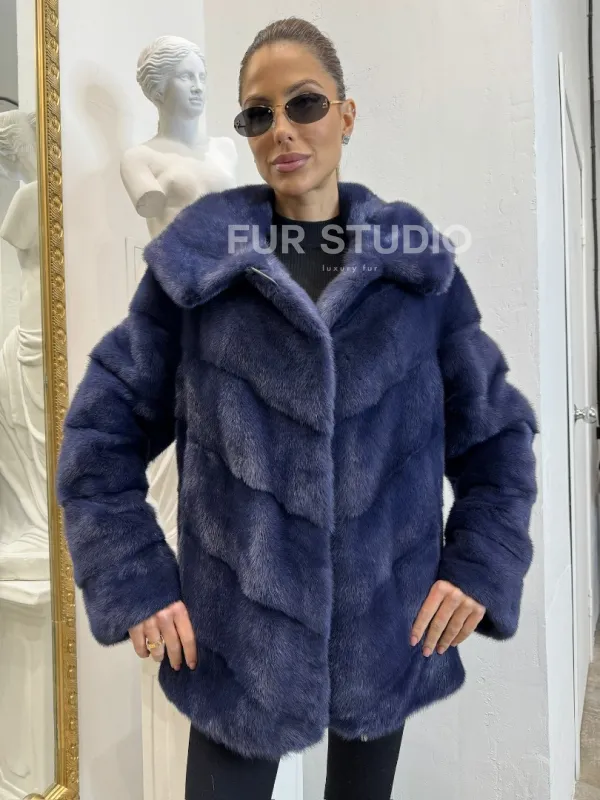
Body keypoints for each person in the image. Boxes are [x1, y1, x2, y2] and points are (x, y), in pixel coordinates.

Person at [56, 16, 538, 800]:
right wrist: (136, 581)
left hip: (386, 635)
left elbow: (500, 438)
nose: (281, 129)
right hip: (237, 649)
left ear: (346, 115)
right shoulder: (197, 273)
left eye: (304, 103)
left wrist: (480, 562)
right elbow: (97, 440)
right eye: (258, 113)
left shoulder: (415, 274)